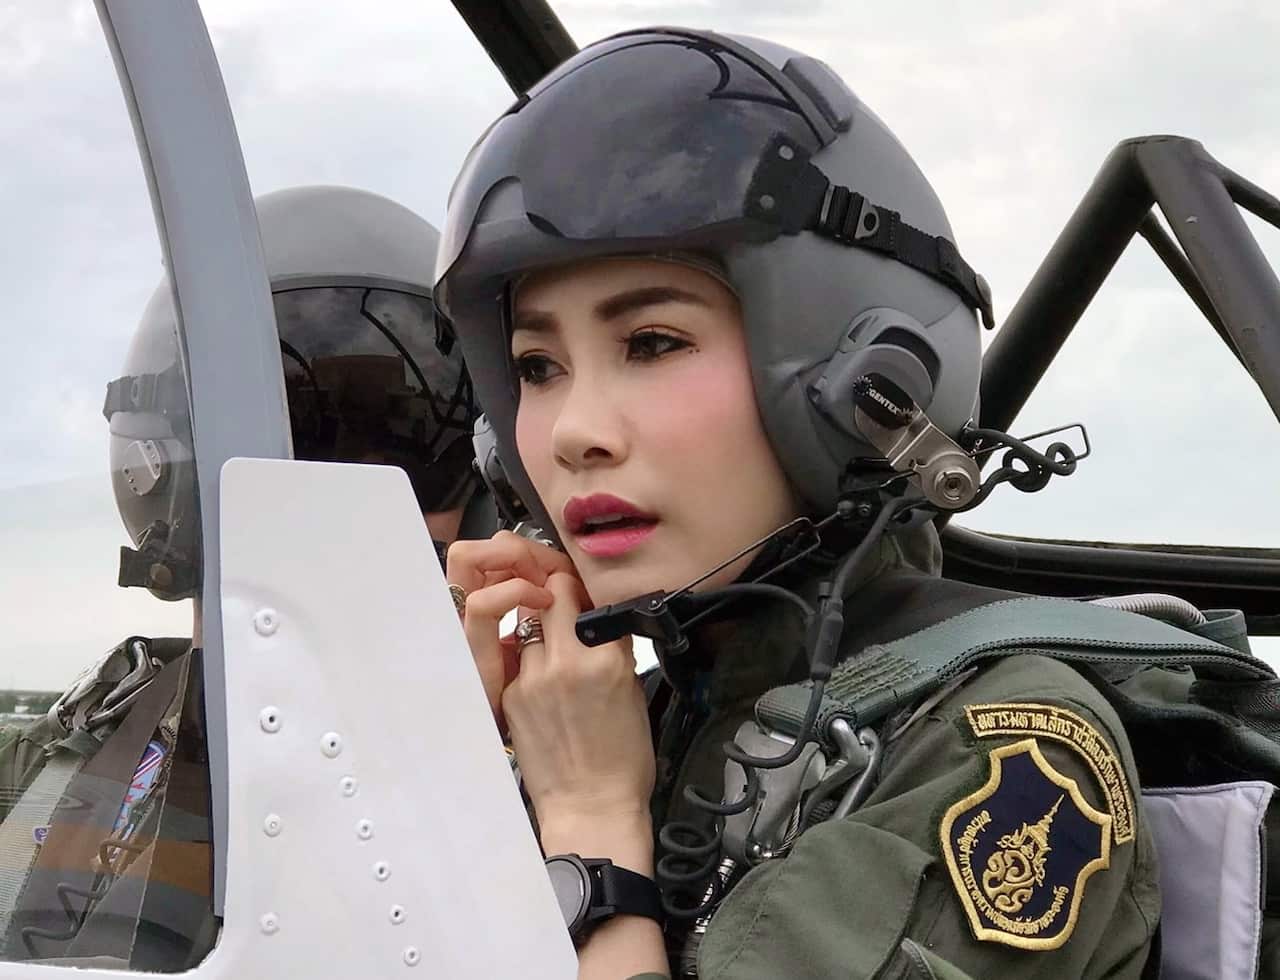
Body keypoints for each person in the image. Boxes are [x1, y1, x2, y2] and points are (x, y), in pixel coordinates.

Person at [437, 29, 1164, 980]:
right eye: (537, 367)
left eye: (652, 343)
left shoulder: (1011, 753)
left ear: (865, 380)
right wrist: (448, 753)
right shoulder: (630, 719)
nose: (573, 430)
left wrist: (591, 837)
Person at [0, 185, 488, 968]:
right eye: (301, 431)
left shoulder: (551, 763)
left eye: (408, 439)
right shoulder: (75, 747)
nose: (332, 490)